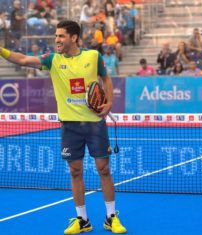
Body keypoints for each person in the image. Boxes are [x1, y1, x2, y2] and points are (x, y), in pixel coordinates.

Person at [0, 20, 127, 234]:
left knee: (103, 170)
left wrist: (109, 103)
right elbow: (21, 59)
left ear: (74, 37)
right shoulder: (52, 60)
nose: (56, 40)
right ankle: (82, 220)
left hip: (95, 124)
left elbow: (106, 78)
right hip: (69, 126)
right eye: (56, 36)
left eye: (61, 36)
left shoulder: (93, 57)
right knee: (75, 171)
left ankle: (111, 217)